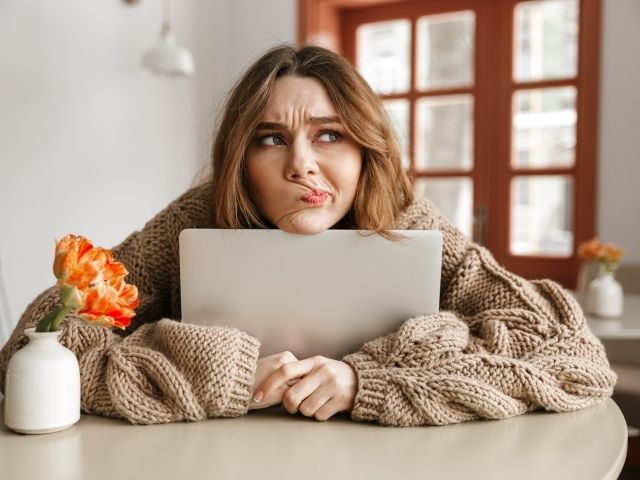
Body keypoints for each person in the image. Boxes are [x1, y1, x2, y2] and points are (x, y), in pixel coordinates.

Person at [0, 45, 616, 426]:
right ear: (241, 159)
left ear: (365, 150)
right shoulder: (194, 220)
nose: (302, 164)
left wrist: (368, 382)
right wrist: (223, 375)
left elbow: (572, 358)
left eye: (329, 134)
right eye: (271, 138)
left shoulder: (405, 220)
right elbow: (34, 352)